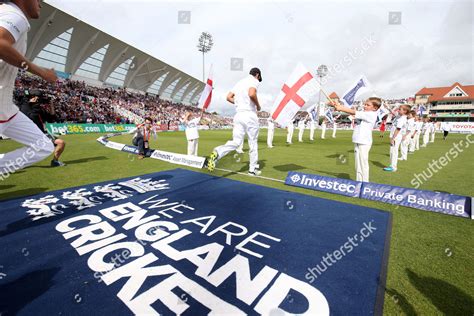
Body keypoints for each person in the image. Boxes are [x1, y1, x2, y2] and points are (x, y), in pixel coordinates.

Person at [0, 0, 58, 175]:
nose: (40, 4)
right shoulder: (14, 15)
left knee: (44, 146)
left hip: (7, 109)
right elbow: (1, 44)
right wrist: (42, 73)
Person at [207, 67, 262, 176]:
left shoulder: (240, 82)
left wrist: (238, 103)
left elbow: (228, 97)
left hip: (238, 115)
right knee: (253, 143)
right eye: (259, 77)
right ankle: (252, 170)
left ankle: (218, 152)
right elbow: (252, 94)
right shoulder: (254, 80)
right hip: (249, 114)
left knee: (236, 142)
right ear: (257, 75)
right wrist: (258, 106)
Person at [333, 97, 381, 182]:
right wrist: (338, 106)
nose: (365, 106)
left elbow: (353, 112)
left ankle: (365, 183)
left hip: (364, 142)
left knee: (363, 163)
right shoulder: (364, 113)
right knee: (357, 164)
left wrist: (341, 108)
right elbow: (351, 115)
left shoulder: (371, 114)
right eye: (365, 104)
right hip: (357, 140)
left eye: (367, 105)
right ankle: (358, 182)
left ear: (374, 108)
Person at [19, 89, 66, 167]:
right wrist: (36, 106)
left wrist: (51, 105)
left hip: (41, 134)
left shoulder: (38, 108)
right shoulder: (24, 106)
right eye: (39, 98)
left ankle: (55, 161)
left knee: (61, 143)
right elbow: (31, 118)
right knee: (28, 154)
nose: (40, 100)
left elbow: (51, 118)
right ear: (34, 97)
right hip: (31, 135)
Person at [384, 104, 410, 172]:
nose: (398, 110)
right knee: (392, 151)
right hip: (394, 136)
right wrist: (388, 107)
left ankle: (393, 167)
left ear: (405, 111)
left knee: (394, 152)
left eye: (400, 109)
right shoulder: (399, 116)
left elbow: (398, 129)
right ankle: (391, 165)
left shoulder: (402, 119)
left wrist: (393, 138)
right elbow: (393, 112)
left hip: (396, 136)